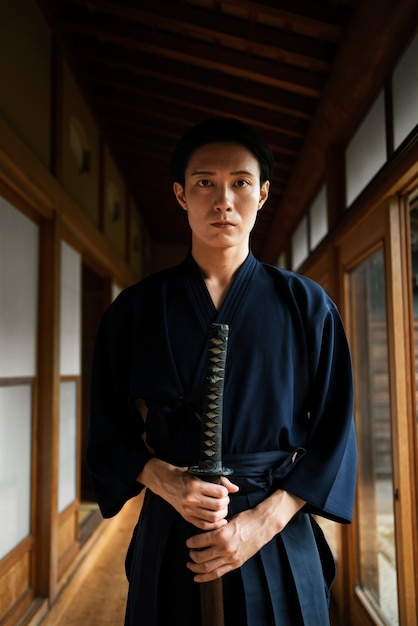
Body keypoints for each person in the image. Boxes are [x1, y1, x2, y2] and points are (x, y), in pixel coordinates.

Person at [87, 117, 357, 625]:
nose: (223, 199)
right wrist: (164, 480)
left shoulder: (306, 305)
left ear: (262, 194)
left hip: (276, 527)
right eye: (204, 182)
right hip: (175, 525)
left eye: (240, 182)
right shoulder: (136, 310)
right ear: (180, 194)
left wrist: (262, 522)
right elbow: (108, 430)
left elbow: (334, 432)